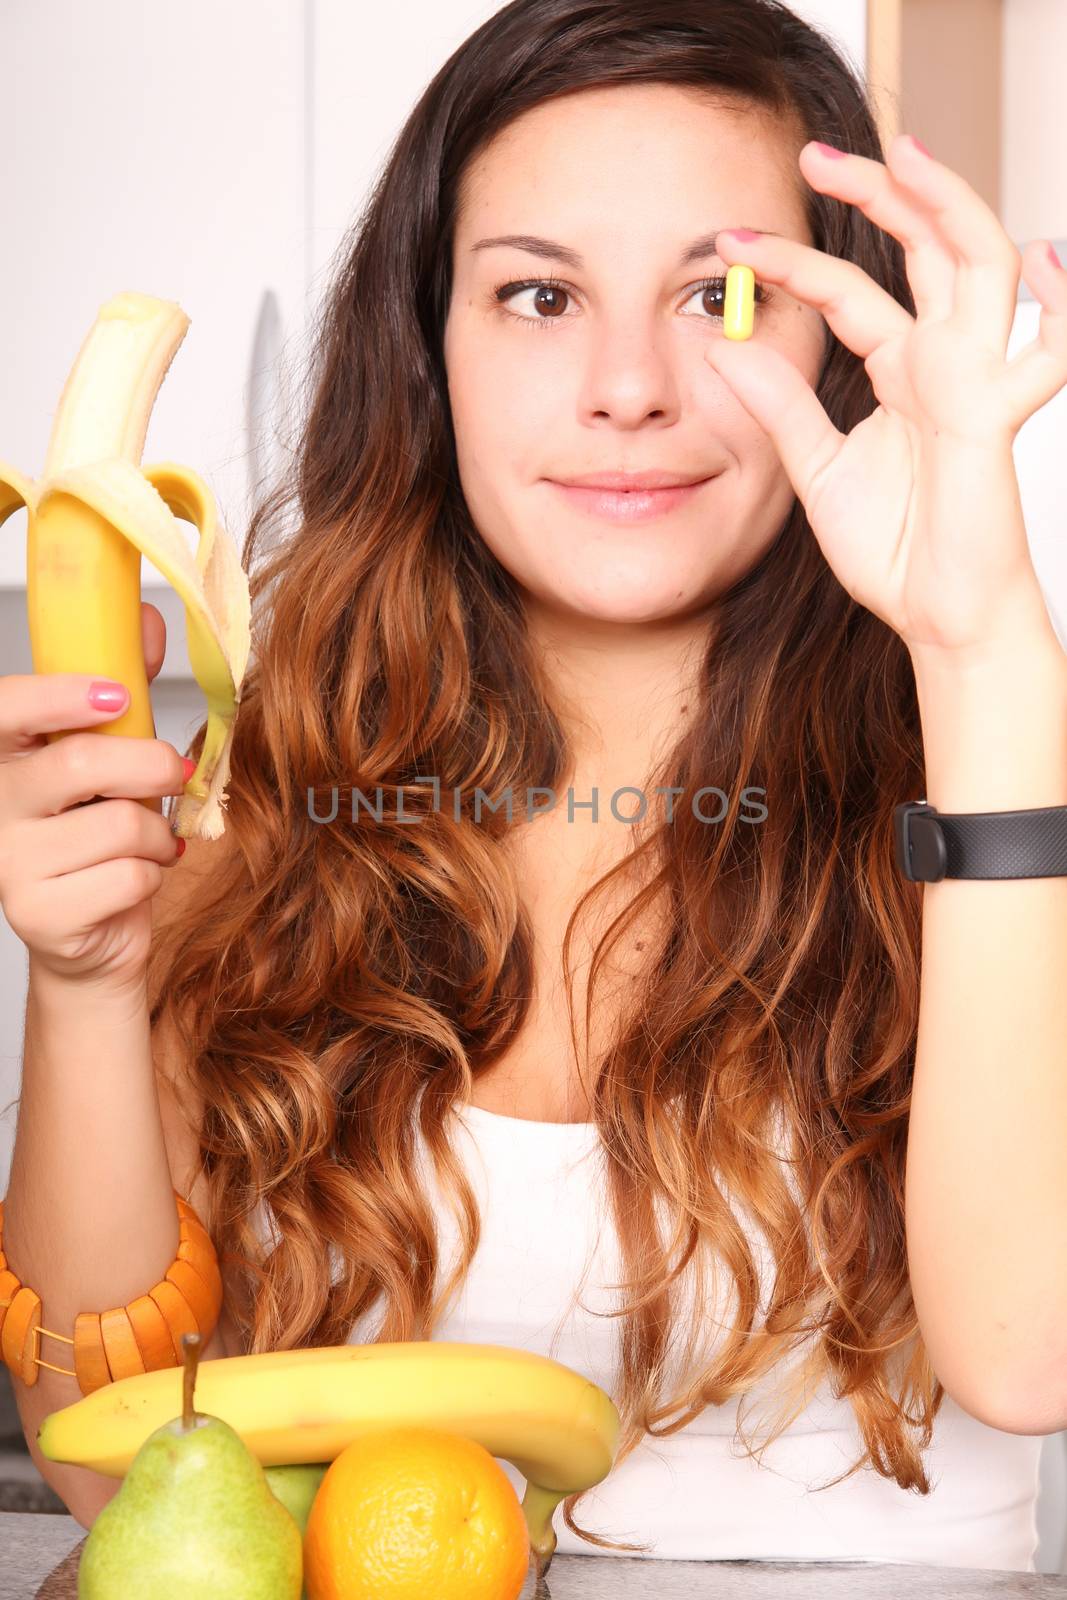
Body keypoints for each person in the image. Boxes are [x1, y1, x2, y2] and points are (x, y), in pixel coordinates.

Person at [4, 0, 1067, 1571]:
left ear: (846, 344)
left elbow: (1024, 1355)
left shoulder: (1001, 799)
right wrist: (86, 983)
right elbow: (132, 1489)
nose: (630, 385)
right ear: (429, 349)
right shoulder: (268, 817)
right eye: (538, 295)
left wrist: (983, 661)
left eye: (727, 292)